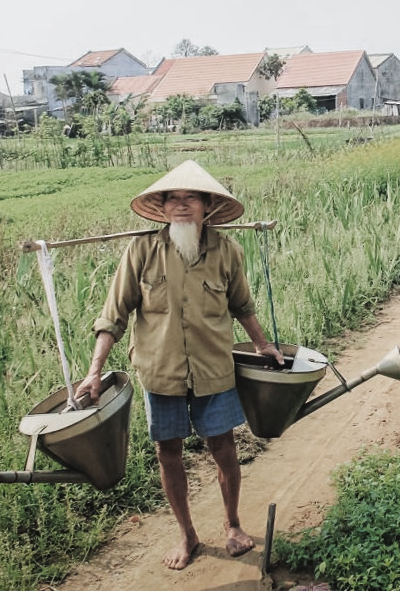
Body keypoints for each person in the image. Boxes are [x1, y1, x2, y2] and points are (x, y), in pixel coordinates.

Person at [76, 159, 284, 570]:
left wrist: (262, 345)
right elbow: (113, 316)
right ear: (163, 207)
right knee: (167, 452)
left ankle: (232, 524)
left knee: (223, 447)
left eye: (192, 198)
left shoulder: (227, 251)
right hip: (160, 372)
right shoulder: (142, 251)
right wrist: (94, 370)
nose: (182, 205)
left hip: (213, 368)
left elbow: (242, 305)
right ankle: (187, 534)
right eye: (174, 198)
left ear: (208, 206)